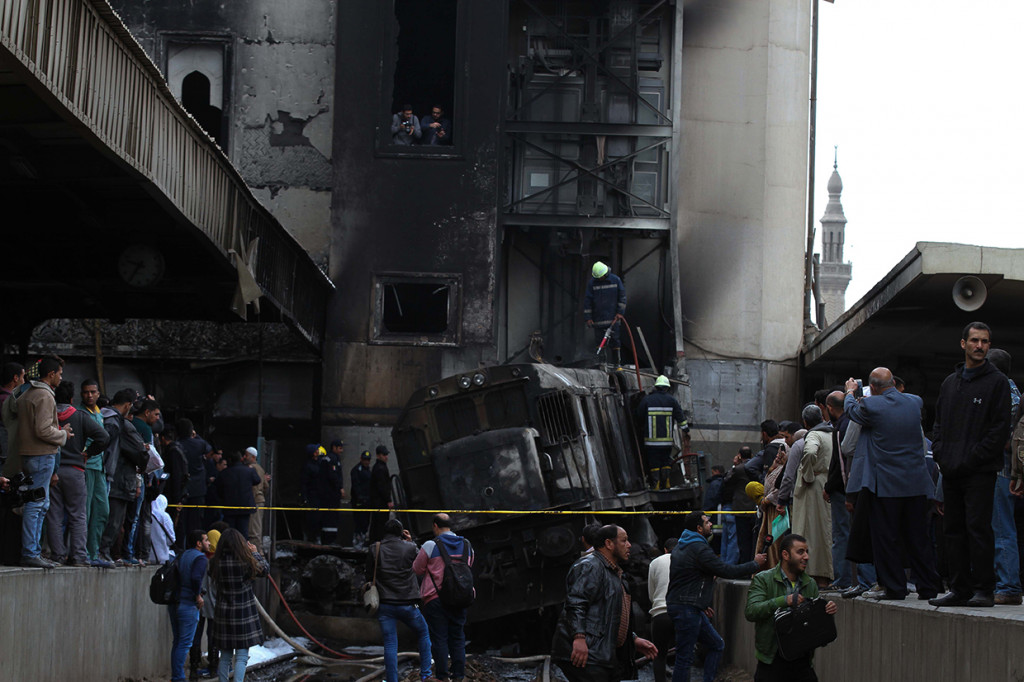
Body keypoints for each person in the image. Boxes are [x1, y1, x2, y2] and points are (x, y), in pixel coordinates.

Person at [930, 322, 1011, 608]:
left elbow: (999, 429)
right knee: (953, 530)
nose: (980, 346)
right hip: (951, 470)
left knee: (978, 529)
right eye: (975, 340)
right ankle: (959, 588)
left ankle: (984, 589)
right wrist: (941, 453)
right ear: (963, 343)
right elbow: (938, 423)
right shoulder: (950, 383)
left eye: (985, 341)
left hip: (979, 471)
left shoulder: (997, 382)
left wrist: (972, 457)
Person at [842, 368, 941, 600]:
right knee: (919, 537)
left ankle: (895, 587)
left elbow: (851, 411)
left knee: (886, 538)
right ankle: (928, 586)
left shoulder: (871, 406)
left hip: (886, 484)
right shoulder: (915, 402)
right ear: (894, 383)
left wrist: (850, 392)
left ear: (872, 388)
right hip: (916, 482)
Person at [667, 511, 766, 682]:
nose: (711, 524)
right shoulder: (699, 548)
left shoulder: (683, 545)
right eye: (707, 522)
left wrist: (702, 603)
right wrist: (754, 564)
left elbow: (688, 577)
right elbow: (726, 570)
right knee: (685, 658)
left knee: (716, 644)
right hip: (688, 608)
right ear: (699, 528)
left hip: (689, 606)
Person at [550, 524, 657, 682]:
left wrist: (632, 639)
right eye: (624, 541)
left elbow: (611, 614)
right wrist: (579, 638)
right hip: (589, 653)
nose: (629, 545)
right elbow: (576, 603)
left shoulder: (613, 572)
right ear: (608, 544)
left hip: (600, 654)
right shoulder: (590, 566)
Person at [744, 534, 838, 681]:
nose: (806, 557)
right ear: (785, 555)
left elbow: (818, 633)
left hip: (802, 662)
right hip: (771, 661)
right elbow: (751, 611)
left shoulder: (810, 584)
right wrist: (783, 601)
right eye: (800, 552)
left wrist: (825, 614)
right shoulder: (763, 579)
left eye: (807, 552)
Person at [13, 355, 72, 567]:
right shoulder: (45, 396)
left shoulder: (27, 393)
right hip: (41, 454)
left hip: (28, 454)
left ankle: (34, 551)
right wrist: (63, 434)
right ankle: (31, 552)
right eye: (60, 374)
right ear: (51, 374)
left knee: (38, 502)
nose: (61, 378)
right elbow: (43, 430)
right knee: (37, 504)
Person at [46, 380, 108, 566]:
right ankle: (79, 556)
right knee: (78, 515)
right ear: (73, 398)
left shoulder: (48, 415)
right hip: (75, 470)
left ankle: (57, 555)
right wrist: (88, 453)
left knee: (54, 515)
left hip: (52, 471)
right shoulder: (80, 416)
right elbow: (104, 437)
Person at [368, 518, 436, 682]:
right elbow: (421, 566)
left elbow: (369, 575)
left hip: (385, 605)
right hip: (408, 604)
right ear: (401, 533)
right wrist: (411, 542)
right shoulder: (410, 548)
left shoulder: (374, 549)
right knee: (423, 632)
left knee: (390, 643)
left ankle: (392, 680)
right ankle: (426, 674)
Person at [413, 513, 474, 682]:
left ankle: (442, 676)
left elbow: (417, 569)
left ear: (435, 526)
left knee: (439, 638)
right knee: (458, 637)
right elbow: (469, 566)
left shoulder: (430, 545)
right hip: (461, 597)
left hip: (435, 599)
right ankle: (459, 676)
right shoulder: (467, 545)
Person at [985, 348, 1022, 604]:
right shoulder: (1013, 392)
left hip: (1000, 469)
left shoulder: (1003, 392)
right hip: (1003, 468)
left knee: (1001, 528)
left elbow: (1006, 438)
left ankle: (1008, 586)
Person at [210, 528, 269, 682]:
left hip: (223, 613)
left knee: (225, 656)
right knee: (241, 657)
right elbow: (265, 570)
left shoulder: (215, 563)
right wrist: (255, 553)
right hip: (243, 614)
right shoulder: (247, 562)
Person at [98, 389, 149, 564]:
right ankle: (103, 552)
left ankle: (101, 552)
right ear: (128, 405)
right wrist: (143, 465)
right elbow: (140, 452)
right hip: (118, 480)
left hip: (105, 474)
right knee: (114, 520)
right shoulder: (121, 424)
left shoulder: (101, 416)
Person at [792, 405, 833, 585]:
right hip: (828, 482)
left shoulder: (814, 435)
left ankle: (816, 574)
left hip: (815, 487)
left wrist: (807, 475)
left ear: (805, 422)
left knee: (813, 531)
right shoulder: (832, 433)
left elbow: (809, 452)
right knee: (827, 530)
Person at [171, 529, 212, 682]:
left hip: (175, 602)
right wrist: (198, 595)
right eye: (206, 540)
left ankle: (176, 676)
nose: (209, 543)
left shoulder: (183, 555)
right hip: (188, 604)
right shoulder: (201, 558)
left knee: (177, 641)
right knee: (185, 643)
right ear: (198, 543)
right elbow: (195, 578)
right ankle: (179, 678)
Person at [635, 375, 689, 490]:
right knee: (665, 461)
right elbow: (680, 417)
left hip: (651, 442)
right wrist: (686, 430)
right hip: (666, 442)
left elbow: (638, 416)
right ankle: (667, 483)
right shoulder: (672, 400)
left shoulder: (647, 400)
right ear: (667, 388)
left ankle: (656, 485)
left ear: (656, 387)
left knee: (654, 462)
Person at [81, 378, 112, 565]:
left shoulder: (99, 413)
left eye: (93, 392)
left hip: (99, 467)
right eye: (86, 392)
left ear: (98, 394)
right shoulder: (80, 413)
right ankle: (83, 552)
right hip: (85, 467)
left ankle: (94, 552)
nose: (89, 395)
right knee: (85, 512)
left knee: (102, 511)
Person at [177, 418, 214, 548]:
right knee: (195, 522)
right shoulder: (199, 444)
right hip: (198, 488)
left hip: (181, 488)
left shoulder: (177, 445)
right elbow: (209, 449)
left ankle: (180, 547)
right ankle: (194, 546)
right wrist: (196, 436)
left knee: (180, 521)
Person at [583, 261, 627, 365]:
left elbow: (622, 298)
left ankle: (617, 364)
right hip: (598, 319)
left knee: (615, 341)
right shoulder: (592, 283)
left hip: (613, 319)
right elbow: (588, 301)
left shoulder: (615, 280)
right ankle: (602, 364)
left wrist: (620, 313)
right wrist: (588, 318)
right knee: (599, 342)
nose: (599, 279)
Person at [647, 537, 676, 682]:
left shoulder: (655, 562)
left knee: (659, 655)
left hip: (659, 613)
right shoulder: (686, 561)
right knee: (684, 654)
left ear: (665, 550)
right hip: (680, 612)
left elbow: (651, 593)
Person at [215, 450, 261, 539]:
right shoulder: (249, 471)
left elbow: (218, 489)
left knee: (229, 532)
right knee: (243, 531)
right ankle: (242, 546)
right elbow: (257, 480)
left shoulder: (224, 473)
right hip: (245, 506)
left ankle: (230, 546)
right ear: (241, 459)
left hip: (229, 506)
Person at [721, 447, 755, 563]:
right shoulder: (756, 467)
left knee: (739, 540)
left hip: (740, 508)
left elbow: (726, 480)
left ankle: (735, 565)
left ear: (739, 455)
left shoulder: (739, 469)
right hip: (754, 505)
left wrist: (735, 465)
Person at [243, 446, 270, 550]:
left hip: (255, 501)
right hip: (259, 500)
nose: (244, 457)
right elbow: (266, 486)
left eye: (246, 455)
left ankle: (257, 553)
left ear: (253, 457)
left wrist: (252, 499)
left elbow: (255, 488)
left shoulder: (252, 469)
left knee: (253, 530)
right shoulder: (260, 468)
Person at [368, 445, 393, 542]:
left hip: (378, 501)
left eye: (386, 454)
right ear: (378, 455)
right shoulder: (380, 468)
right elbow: (382, 486)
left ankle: (375, 542)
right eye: (384, 455)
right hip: (380, 502)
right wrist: (388, 500)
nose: (386, 457)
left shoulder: (379, 467)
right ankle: (378, 542)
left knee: (377, 523)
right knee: (380, 523)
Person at [350, 450, 373, 547]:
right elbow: (356, 486)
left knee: (365, 522)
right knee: (359, 521)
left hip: (367, 501)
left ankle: (362, 539)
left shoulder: (368, 470)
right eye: (365, 460)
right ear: (361, 459)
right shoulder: (356, 470)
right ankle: (357, 540)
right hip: (359, 501)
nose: (366, 462)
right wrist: (360, 497)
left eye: (368, 460)